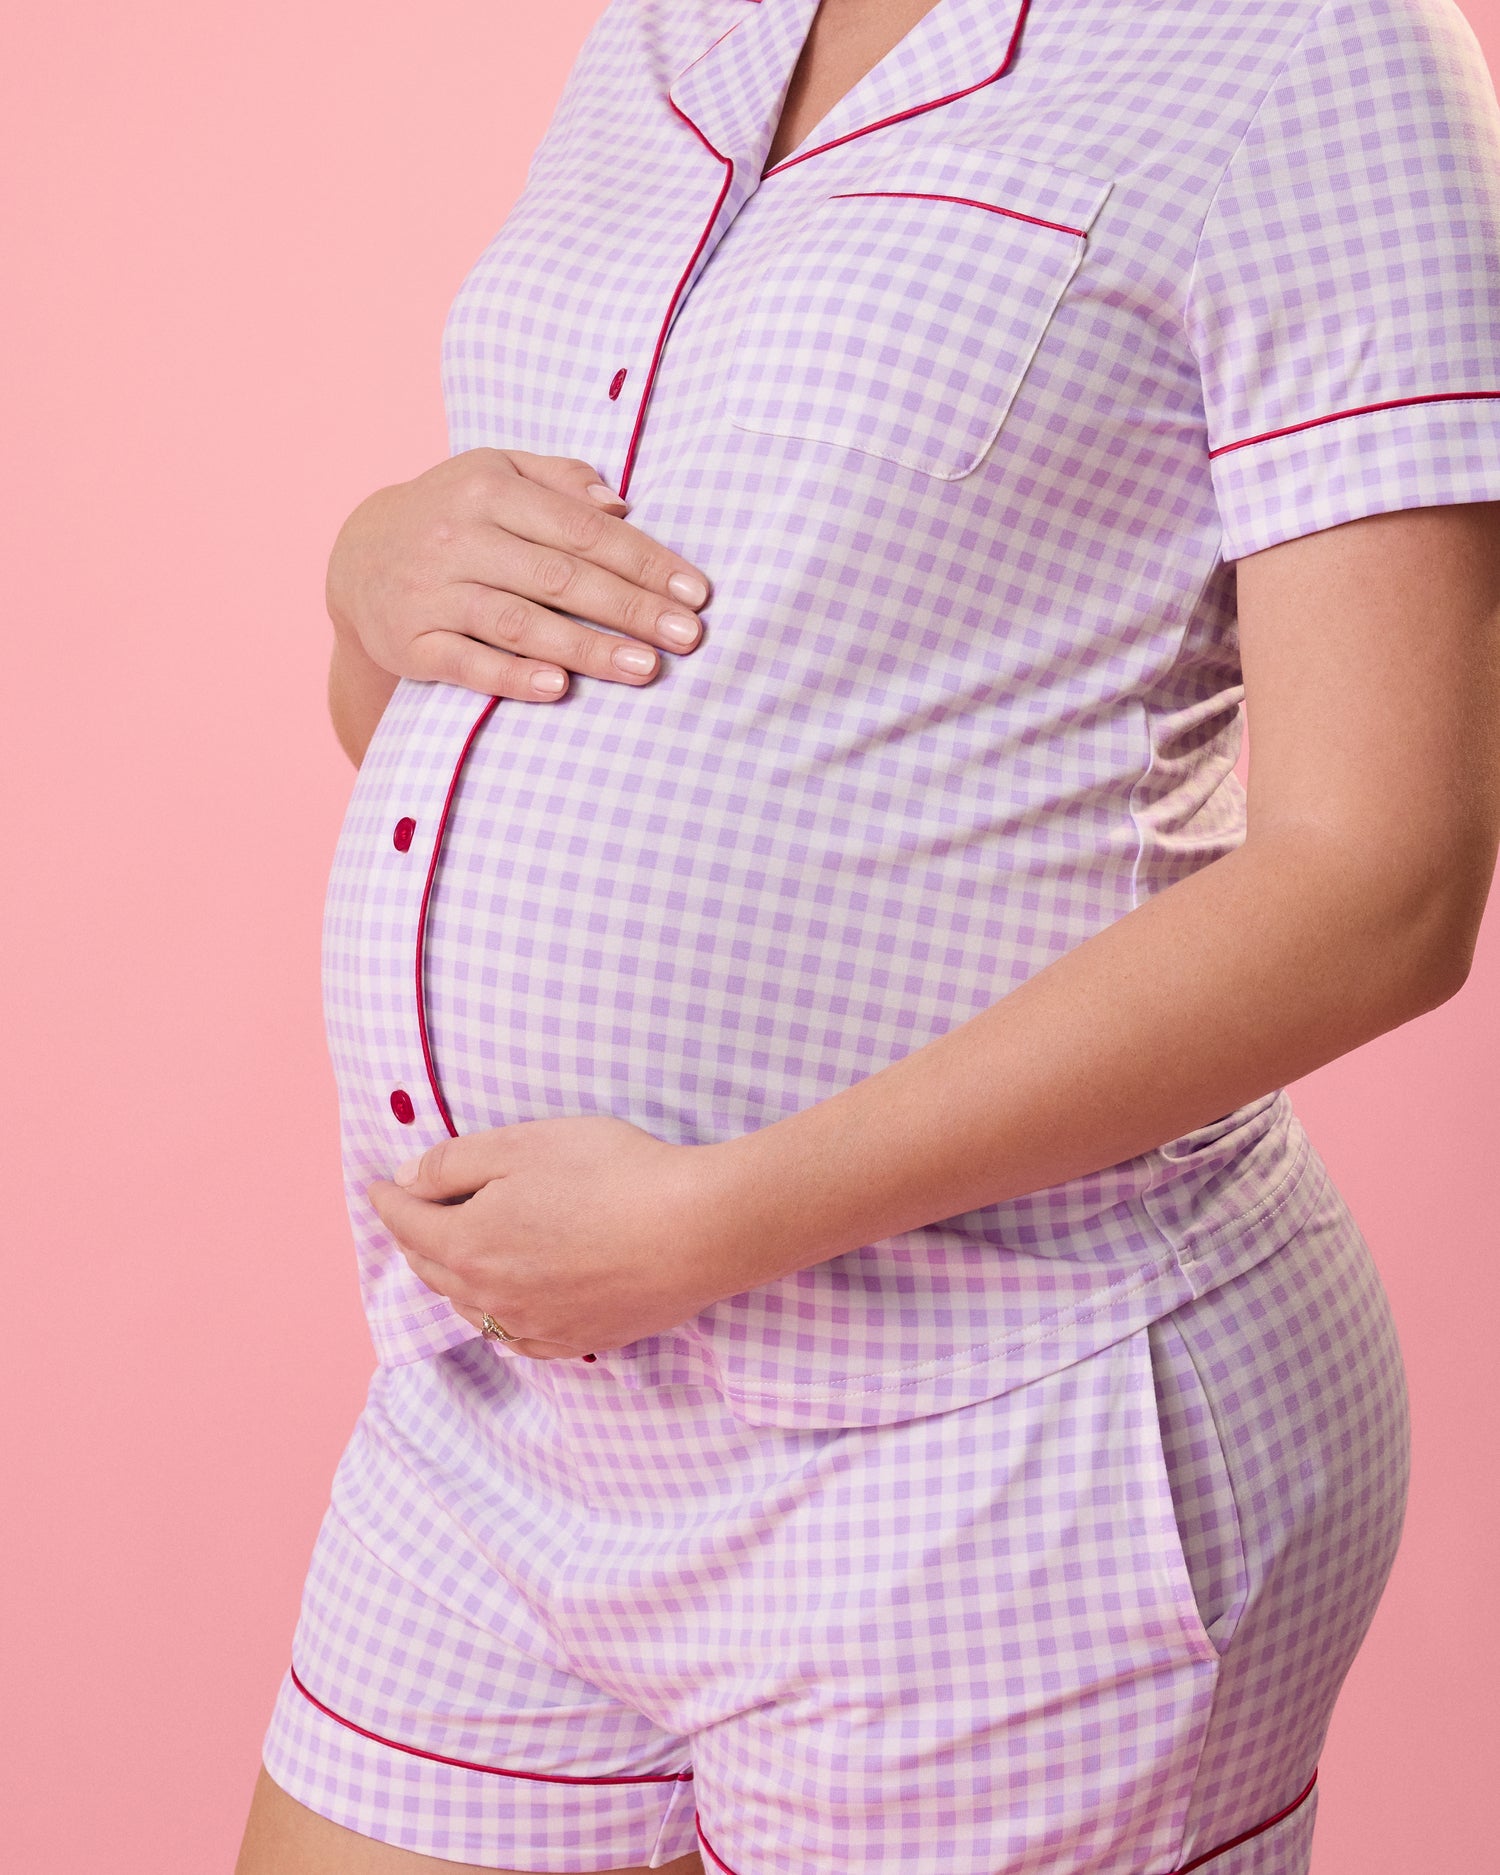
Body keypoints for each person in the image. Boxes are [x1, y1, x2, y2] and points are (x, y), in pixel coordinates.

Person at [235, 0, 1500, 1869]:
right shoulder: (674, 33)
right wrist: (371, 574)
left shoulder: (1305, 52)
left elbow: (1381, 887)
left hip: (1004, 1440)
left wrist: (714, 1222)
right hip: (513, 1400)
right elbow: (528, 696)